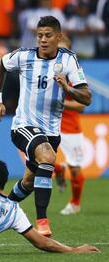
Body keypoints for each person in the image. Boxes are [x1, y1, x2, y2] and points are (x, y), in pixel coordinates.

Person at [0, 16, 91, 237]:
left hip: (51, 131)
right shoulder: (24, 55)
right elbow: (0, 65)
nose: (43, 40)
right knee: (47, 156)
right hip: (23, 126)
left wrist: (68, 88)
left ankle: (1, 210)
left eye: (47, 36)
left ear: (58, 36)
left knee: (29, 181)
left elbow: (86, 98)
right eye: (39, 36)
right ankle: (42, 222)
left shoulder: (69, 60)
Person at [53, 35, 86, 216]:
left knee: (75, 169)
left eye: (65, 51)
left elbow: (81, 106)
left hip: (70, 128)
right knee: (36, 158)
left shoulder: (74, 76)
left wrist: (61, 103)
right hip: (50, 125)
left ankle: (75, 203)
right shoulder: (45, 72)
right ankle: (58, 169)